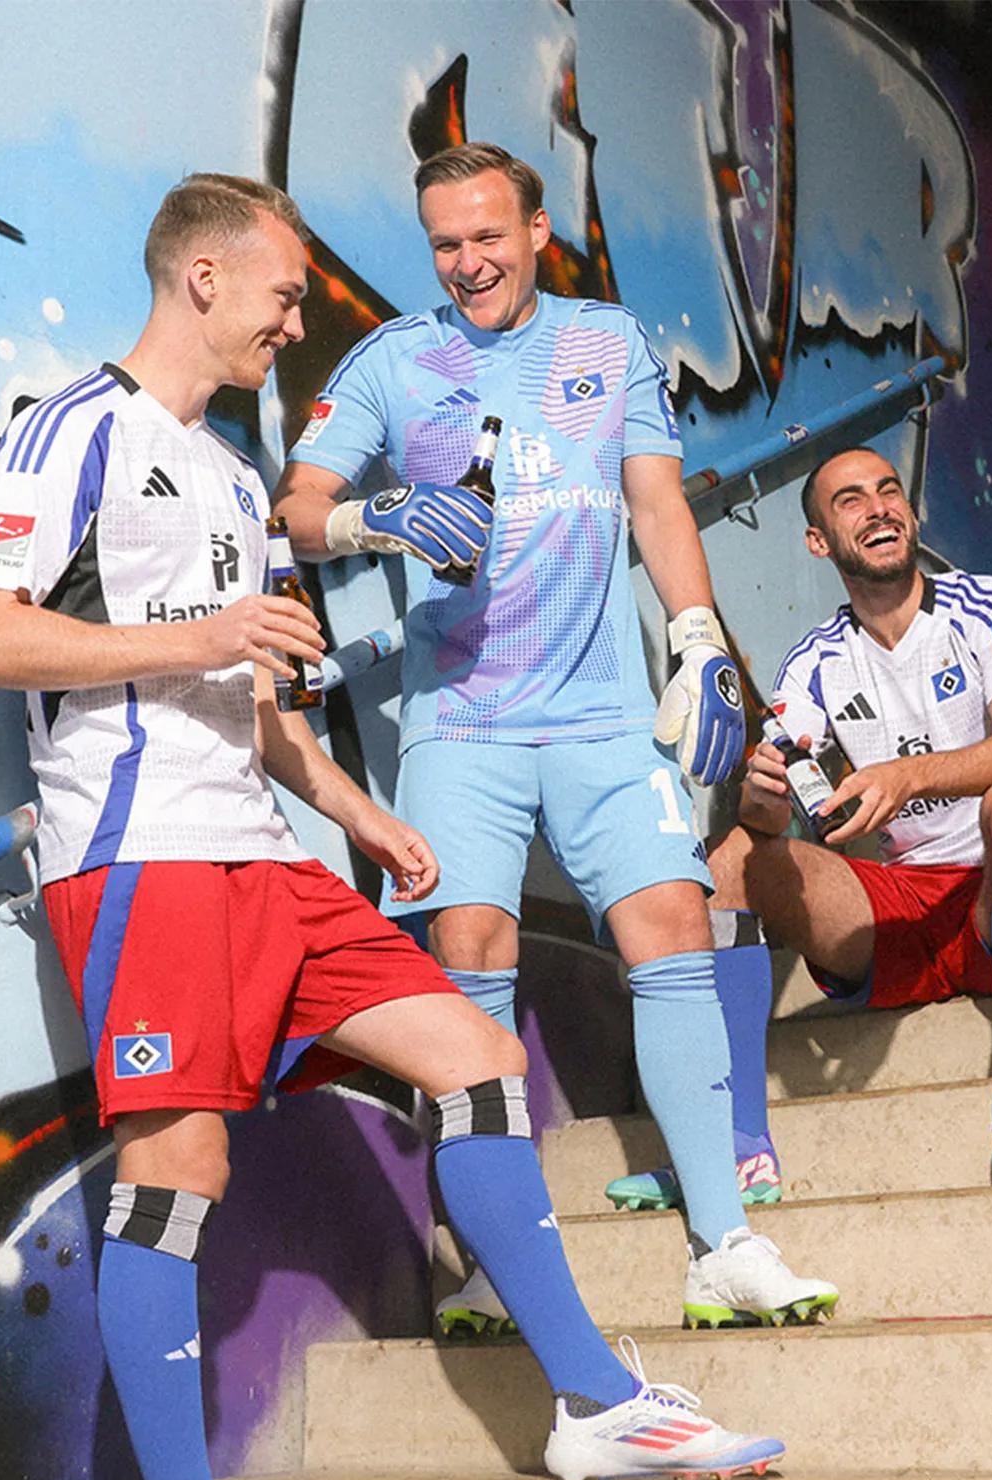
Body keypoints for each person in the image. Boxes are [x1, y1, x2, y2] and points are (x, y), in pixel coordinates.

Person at [0, 174, 785, 1480]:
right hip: (138, 855)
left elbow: (253, 693)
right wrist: (196, 635)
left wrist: (356, 804)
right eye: (276, 293)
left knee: (472, 1055)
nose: (292, 317)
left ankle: (595, 1401)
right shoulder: (76, 426)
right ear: (201, 277)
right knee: (178, 1159)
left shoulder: (224, 464)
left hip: (267, 854)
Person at [273, 143, 837, 1333]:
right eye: (445, 244)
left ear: (536, 229)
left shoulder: (608, 341)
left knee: (674, 921)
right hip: (459, 723)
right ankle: (486, 1266)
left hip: (600, 712)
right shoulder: (393, 358)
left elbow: (656, 502)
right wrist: (380, 515)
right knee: (468, 953)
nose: (469, 262)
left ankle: (721, 1244)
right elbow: (299, 507)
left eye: (489, 235)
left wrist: (695, 636)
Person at [609, 446, 992, 1204]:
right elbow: (769, 813)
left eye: (888, 490)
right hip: (902, 910)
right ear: (817, 541)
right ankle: (738, 1149)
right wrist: (762, 787)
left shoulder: (990, 604)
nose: (878, 508)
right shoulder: (814, 662)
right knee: (736, 855)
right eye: (850, 500)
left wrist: (906, 777)